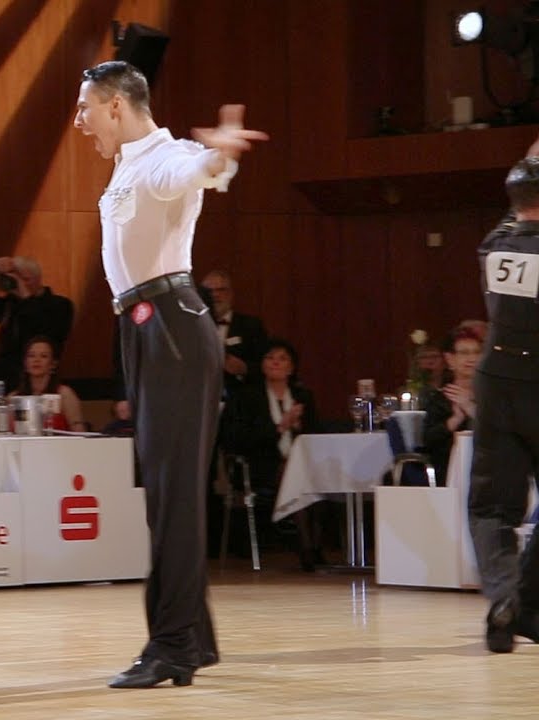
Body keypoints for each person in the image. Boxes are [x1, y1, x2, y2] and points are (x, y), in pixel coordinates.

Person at [73, 59, 266, 688]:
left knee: (174, 496)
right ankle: (194, 638)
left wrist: (219, 157)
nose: (80, 123)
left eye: (85, 110)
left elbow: (195, 170)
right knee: (167, 494)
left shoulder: (161, 158)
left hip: (172, 329)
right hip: (148, 329)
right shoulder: (128, 165)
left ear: (116, 107)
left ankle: (172, 646)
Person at [467, 142, 539, 653]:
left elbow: (522, 202)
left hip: (496, 383)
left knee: (493, 507)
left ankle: (506, 600)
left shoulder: (494, 242)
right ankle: (525, 602)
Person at [218, 339, 321, 570]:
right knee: (293, 472)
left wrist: (298, 426)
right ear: (262, 365)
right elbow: (237, 439)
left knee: (307, 471)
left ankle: (311, 545)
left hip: (302, 463)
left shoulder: (303, 397)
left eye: (282, 358)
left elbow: (316, 435)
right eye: (270, 358)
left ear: (292, 368)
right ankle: (307, 548)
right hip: (259, 465)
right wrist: (279, 427)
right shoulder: (246, 397)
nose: (275, 362)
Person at [0, 256, 74, 389]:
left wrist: (25, 296)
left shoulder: (60, 305)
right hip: (5, 378)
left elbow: (44, 329)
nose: (19, 283)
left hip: (40, 381)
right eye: (14, 278)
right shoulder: (10, 305)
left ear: (38, 279)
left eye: (25, 279)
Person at [421, 327, 482, 485]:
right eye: (464, 353)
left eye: (476, 352)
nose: (472, 358)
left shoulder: (493, 396)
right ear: (450, 359)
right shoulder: (440, 399)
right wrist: (455, 420)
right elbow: (428, 440)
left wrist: (471, 408)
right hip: (450, 469)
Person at [200, 270, 268, 398]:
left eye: (221, 290)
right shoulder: (194, 327)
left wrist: (244, 368)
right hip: (201, 399)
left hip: (240, 401)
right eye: (209, 291)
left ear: (231, 294)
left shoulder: (251, 326)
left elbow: (266, 366)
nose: (215, 295)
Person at [8, 336, 86, 432]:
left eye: (44, 356)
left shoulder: (64, 394)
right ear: (25, 363)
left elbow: (79, 431)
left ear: (53, 364)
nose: (37, 360)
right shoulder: (13, 398)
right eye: (31, 356)